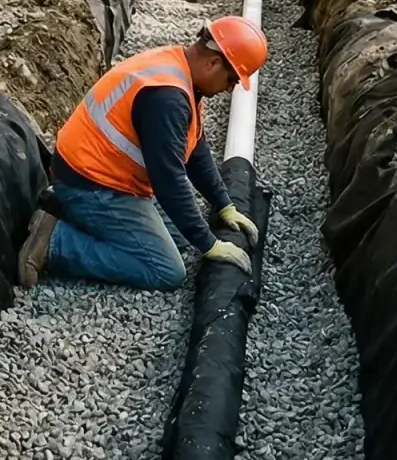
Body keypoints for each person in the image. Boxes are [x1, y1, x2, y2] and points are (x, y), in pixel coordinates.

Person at [18, 15, 269, 291]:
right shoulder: (167, 98)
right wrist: (209, 244)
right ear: (213, 63)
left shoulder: (180, 69)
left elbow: (195, 148)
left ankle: (72, 211)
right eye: (232, 79)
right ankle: (55, 241)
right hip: (92, 185)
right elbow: (169, 181)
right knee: (167, 270)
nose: (230, 89)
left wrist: (224, 204)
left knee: (181, 236)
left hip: (98, 174)